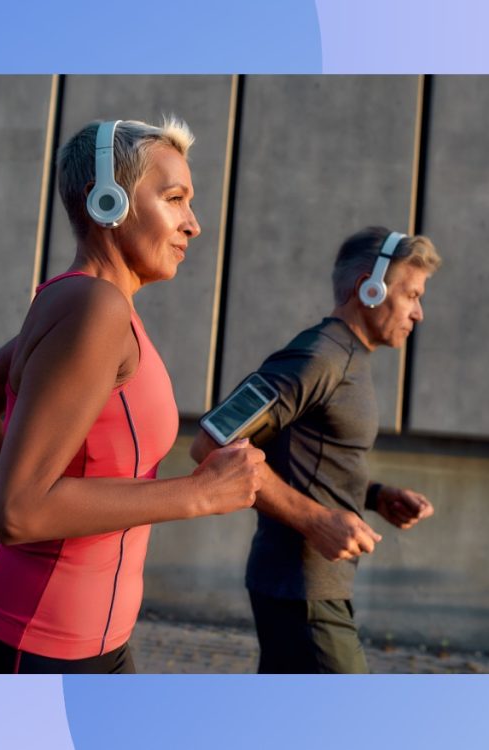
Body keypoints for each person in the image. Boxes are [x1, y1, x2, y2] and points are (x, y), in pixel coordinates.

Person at [0, 117, 264, 674]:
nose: (194, 225)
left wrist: (75, 489)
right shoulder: (94, 309)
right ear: (107, 201)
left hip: (98, 643)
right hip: (36, 648)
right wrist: (199, 493)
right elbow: (17, 511)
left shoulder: (84, 307)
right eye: (175, 198)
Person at [191, 226, 441, 673]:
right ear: (370, 286)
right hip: (300, 590)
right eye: (411, 295)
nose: (419, 312)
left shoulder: (348, 357)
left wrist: (375, 494)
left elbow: (306, 455)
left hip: (311, 588)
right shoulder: (320, 357)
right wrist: (317, 520)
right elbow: (213, 443)